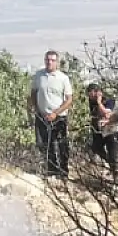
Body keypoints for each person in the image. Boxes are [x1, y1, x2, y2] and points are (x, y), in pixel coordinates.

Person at [28, 50, 74, 178]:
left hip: (59, 117)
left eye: (52, 60)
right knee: (43, 143)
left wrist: (56, 113)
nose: (49, 62)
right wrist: (36, 109)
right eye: (47, 60)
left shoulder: (63, 78)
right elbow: (33, 93)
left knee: (61, 144)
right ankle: (51, 170)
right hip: (42, 115)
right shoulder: (39, 75)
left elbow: (69, 99)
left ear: (57, 62)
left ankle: (64, 171)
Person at [85, 83, 114, 163]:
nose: (90, 96)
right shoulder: (91, 101)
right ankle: (107, 162)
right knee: (96, 148)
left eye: (91, 93)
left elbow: (106, 114)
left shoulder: (108, 99)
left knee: (111, 149)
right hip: (97, 128)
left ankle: (113, 166)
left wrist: (99, 103)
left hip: (108, 128)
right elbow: (93, 114)